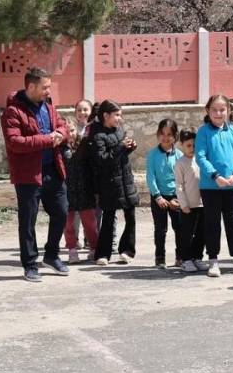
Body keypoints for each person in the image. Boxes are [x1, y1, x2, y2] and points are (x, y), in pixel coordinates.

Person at [2, 67, 70, 282]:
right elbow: (15, 143)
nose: (48, 91)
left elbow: (61, 125)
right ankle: (30, 264)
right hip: (28, 175)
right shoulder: (13, 112)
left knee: (62, 212)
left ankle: (51, 255)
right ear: (31, 86)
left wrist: (61, 133)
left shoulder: (48, 105)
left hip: (53, 170)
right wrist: (47, 139)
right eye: (45, 87)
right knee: (28, 221)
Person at [195, 94, 233, 277]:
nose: (218, 113)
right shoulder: (203, 132)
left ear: (228, 111)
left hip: (231, 187)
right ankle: (213, 260)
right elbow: (200, 157)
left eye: (222, 109)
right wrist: (215, 176)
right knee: (212, 224)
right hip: (210, 187)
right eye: (214, 110)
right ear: (208, 111)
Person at [90, 100, 140, 265]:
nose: (120, 118)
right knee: (108, 219)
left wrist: (130, 146)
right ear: (106, 115)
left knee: (130, 216)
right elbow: (102, 159)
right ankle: (103, 254)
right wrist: (120, 146)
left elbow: (121, 152)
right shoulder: (97, 135)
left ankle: (127, 250)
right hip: (109, 184)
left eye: (120, 114)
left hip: (126, 181)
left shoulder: (119, 131)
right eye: (117, 115)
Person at [64, 99, 99, 263]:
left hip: (86, 186)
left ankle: (94, 248)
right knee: (68, 222)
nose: (71, 133)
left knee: (90, 221)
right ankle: (72, 249)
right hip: (68, 189)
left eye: (85, 109)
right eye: (79, 109)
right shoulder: (62, 148)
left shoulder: (90, 135)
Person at [146, 118, 182, 268]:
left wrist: (178, 198)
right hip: (158, 198)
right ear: (158, 135)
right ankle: (160, 258)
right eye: (162, 133)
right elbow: (150, 177)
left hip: (176, 198)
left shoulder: (179, 155)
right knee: (160, 230)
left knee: (179, 228)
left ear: (175, 136)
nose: (165, 137)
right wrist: (157, 196)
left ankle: (181, 256)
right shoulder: (152, 154)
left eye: (169, 134)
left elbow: (182, 179)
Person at [175, 128, 206, 273]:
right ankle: (186, 259)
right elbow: (179, 186)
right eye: (188, 145)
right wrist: (184, 204)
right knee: (186, 234)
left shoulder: (201, 160)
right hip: (188, 206)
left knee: (202, 233)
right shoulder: (180, 163)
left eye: (194, 145)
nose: (192, 148)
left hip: (203, 204)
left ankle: (197, 257)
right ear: (181, 145)